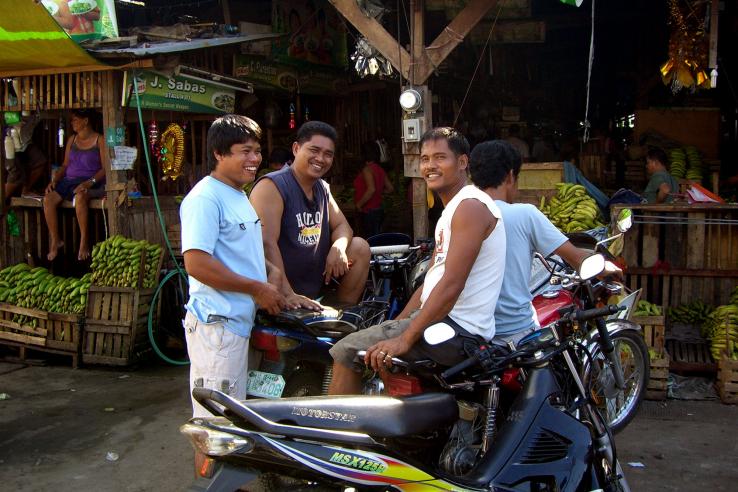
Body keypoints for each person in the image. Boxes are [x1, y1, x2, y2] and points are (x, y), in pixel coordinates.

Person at [327, 127, 506, 395]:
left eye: (440, 158)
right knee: (375, 344)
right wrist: (397, 325)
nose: (430, 166)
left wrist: (405, 339)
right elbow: (430, 282)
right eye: (424, 159)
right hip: (441, 321)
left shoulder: (470, 206)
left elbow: (451, 284)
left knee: (346, 350)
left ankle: (338, 435)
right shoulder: (453, 210)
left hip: (457, 331)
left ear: (462, 162)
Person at [180, 114, 314, 418]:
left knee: (240, 415)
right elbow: (197, 263)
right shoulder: (204, 198)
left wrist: (274, 277)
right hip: (218, 327)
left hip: (242, 323)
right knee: (216, 423)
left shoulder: (238, 194)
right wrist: (256, 288)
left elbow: (239, 252)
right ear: (218, 153)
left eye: (257, 150)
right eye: (245, 151)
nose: (255, 159)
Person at [469, 140, 621, 347]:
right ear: (510, 176)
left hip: (472, 333)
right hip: (514, 332)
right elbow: (577, 259)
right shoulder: (524, 214)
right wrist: (604, 267)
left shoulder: (459, 216)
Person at [250, 121, 370, 306]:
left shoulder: (321, 187)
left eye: (328, 154)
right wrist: (288, 293)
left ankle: (342, 313)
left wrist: (338, 248)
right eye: (314, 150)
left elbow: (342, 226)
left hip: (315, 285)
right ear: (296, 149)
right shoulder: (272, 186)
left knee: (359, 247)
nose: (321, 158)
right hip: (279, 289)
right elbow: (265, 243)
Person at [44, 109, 106, 261]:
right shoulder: (72, 140)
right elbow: (65, 165)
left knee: (80, 198)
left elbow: (105, 169)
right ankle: (55, 240)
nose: (72, 123)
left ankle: (84, 241)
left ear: (86, 121)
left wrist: (88, 183)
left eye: (75, 120)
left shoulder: (100, 140)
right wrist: (55, 179)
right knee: (48, 200)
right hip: (69, 182)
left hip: (92, 182)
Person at [353, 141, 394, 237]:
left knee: (371, 240)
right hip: (378, 209)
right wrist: (380, 192)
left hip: (369, 211)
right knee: (376, 238)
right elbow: (390, 188)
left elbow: (371, 189)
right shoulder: (379, 169)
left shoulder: (367, 169)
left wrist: (359, 205)